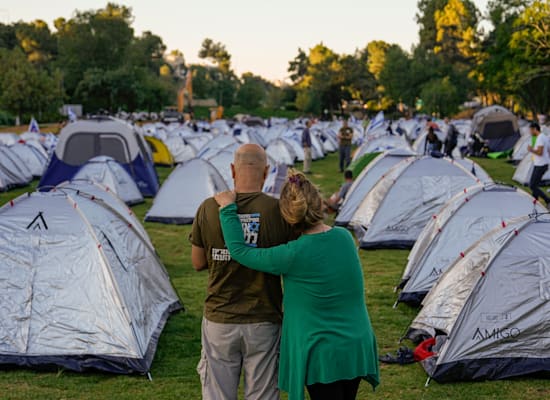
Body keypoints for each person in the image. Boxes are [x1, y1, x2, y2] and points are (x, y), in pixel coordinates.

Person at [214, 170, 380, 400]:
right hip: (356, 343)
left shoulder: (292, 254)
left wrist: (227, 208)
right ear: (318, 203)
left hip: (321, 352)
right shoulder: (344, 237)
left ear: (287, 216)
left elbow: (240, 251)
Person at [190, 143, 293, 400]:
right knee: (262, 394)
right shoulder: (278, 210)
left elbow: (197, 262)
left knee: (217, 393)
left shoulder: (208, 207)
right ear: (266, 171)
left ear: (232, 169)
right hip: (264, 317)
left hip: (220, 317)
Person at [526, 122, 550, 205]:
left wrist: (531, 149)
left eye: (530, 130)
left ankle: (548, 200)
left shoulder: (540, 138)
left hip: (541, 165)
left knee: (532, 185)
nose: (530, 132)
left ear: (535, 129)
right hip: (542, 164)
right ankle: (535, 201)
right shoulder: (544, 137)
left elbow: (540, 152)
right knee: (535, 185)